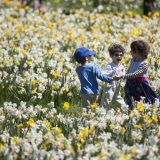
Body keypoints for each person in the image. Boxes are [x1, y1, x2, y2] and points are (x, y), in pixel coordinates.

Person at [120, 40, 159, 109]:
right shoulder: (133, 60)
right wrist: (125, 78)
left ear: (137, 52)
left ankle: (147, 109)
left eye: (132, 50)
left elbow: (136, 74)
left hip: (140, 84)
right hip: (130, 82)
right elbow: (129, 70)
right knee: (129, 97)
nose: (130, 52)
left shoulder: (144, 64)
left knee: (143, 99)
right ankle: (131, 109)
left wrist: (123, 76)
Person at [100, 43, 127, 112]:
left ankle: (125, 112)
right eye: (116, 55)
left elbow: (124, 75)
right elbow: (102, 74)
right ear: (111, 56)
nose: (119, 57)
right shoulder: (109, 66)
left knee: (119, 99)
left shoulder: (121, 66)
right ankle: (101, 115)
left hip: (117, 87)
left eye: (121, 55)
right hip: (109, 87)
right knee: (106, 100)